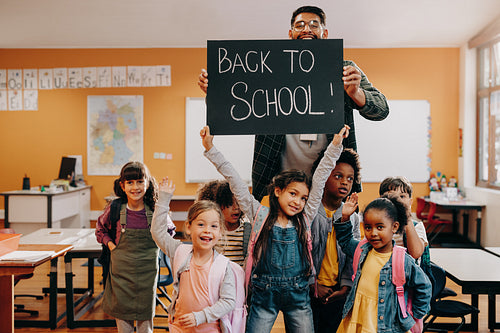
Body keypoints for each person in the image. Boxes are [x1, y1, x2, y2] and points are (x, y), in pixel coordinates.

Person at [197, 5, 389, 202]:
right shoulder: (271, 68)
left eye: (314, 25)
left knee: (334, 232)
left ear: (325, 33)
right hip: (278, 182)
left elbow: (382, 109)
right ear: (291, 34)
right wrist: (214, 92)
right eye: (300, 25)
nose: (307, 29)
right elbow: (237, 105)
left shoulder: (344, 69)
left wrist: (355, 92)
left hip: (331, 183)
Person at [200, 124, 350, 333]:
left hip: (298, 296)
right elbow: (234, 180)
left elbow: (321, 175)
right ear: (278, 191)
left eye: (303, 198)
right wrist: (210, 149)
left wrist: (335, 145)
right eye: (293, 194)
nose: (298, 201)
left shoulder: (305, 217)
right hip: (264, 295)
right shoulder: (259, 214)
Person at [334, 194, 432, 332]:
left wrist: (414, 314)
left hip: (385, 325)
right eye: (368, 227)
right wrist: (345, 218)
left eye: (380, 227)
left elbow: (425, 286)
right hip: (358, 319)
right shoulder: (362, 250)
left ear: (394, 227)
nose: (373, 233)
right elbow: (345, 241)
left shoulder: (402, 260)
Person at [151, 177, 236, 332]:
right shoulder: (179, 252)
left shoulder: (224, 266)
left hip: (209, 329)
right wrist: (163, 199)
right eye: (201, 224)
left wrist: (200, 317)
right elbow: (157, 232)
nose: (207, 230)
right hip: (179, 327)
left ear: (220, 231)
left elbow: (229, 301)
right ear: (189, 227)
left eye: (214, 226)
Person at [95, 161, 164, 333]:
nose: (135, 187)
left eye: (140, 181)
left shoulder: (155, 209)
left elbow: (168, 232)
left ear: (148, 183)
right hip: (121, 274)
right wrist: (112, 247)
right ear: (122, 185)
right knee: (123, 320)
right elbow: (100, 229)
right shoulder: (115, 208)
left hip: (147, 275)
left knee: (145, 323)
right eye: (130, 182)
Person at [309, 148, 362, 333]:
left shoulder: (353, 216)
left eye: (350, 178)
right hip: (308, 291)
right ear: (324, 177)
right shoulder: (310, 212)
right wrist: (313, 284)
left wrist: (346, 286)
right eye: (338, 176)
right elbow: (300, 252)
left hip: (337, 293)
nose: (345, 182)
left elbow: (354, 255)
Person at [196, 180, 252, 266]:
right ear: (216, 205)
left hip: (239, 278)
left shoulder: (247, 230)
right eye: (229, 203)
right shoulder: (211, 232)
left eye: (238, 202)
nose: (236, 207)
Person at [379, 176, 428, 259]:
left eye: (402, 196)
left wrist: (406, 217)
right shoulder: (377, 224)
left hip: (408, 270)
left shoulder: (417, 226)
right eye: (392, 196)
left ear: (410, 202)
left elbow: (416, 253)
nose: (398, 200)